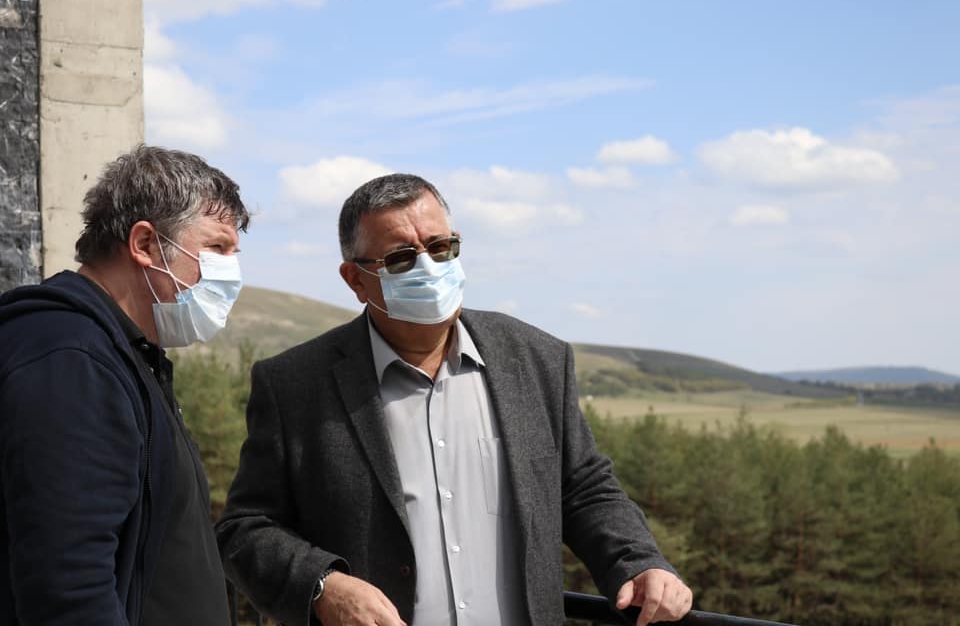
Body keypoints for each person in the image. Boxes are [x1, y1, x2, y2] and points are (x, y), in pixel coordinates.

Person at [216, 173, 692, 626]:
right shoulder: (295, 384)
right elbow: (246, 528)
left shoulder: (536, 360)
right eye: (401, 258)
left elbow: (584, 488)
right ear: (355, 280)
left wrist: (639, 561)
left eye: (440, 247)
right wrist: (323, 586)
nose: (428, 267)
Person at [0, 145, 250, 626]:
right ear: (145, 244)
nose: (232, 273)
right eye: (217, 248)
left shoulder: (122, 352)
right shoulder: (71, 358)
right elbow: (70, 585)